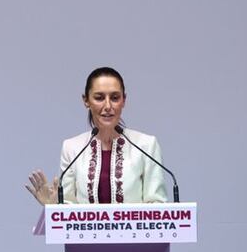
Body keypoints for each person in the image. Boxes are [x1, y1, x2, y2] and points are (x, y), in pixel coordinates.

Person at [27, 67, 167, 233]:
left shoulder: (146, 145)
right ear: (86, 101)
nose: (108, 106)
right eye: (99, 98)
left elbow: (158, 207)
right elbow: (69, 209)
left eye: (115, 98)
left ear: (124, 100)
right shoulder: (72, 148)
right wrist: (53, 209)